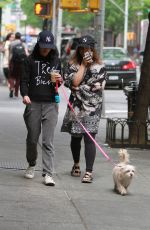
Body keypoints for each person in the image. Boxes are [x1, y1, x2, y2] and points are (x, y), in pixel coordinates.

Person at [61, 35, 107, 183]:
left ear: (93, 49)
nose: (85, 51)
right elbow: (71, 82)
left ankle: (89, 172)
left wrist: (78, 88)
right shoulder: (72, 64)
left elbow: (97, 87)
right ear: (79, 49)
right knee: (75, 136)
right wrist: (83, 66)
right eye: (82, 48)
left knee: (89, 138)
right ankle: (76, 164)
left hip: (93, 107)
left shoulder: (100, 67)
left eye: (88, 48)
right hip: (76, 106)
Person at [20, 30, 62, 186]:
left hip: (51, 103)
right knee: (32, 138)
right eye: (44, 46)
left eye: (49, 47)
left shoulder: (56, 60)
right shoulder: (29, 60)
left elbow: (59, 83)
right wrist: (24, 95)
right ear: (38, 44)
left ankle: (48, 173)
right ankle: (31, 164)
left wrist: (59, 79)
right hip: (33, 103)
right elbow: (23, 81)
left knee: (48, 141)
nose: (46, 49)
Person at [9, 32, 29, 98]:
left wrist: (9, 62)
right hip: (21, 63)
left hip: (13, 62)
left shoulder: (12, 43)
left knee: (11, 76)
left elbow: (10, 54)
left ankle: (11, 88)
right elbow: (26, 54)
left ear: (15, 37)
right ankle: (16, 93)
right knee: (18, 77)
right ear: (20, 37)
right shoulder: (23, 44)